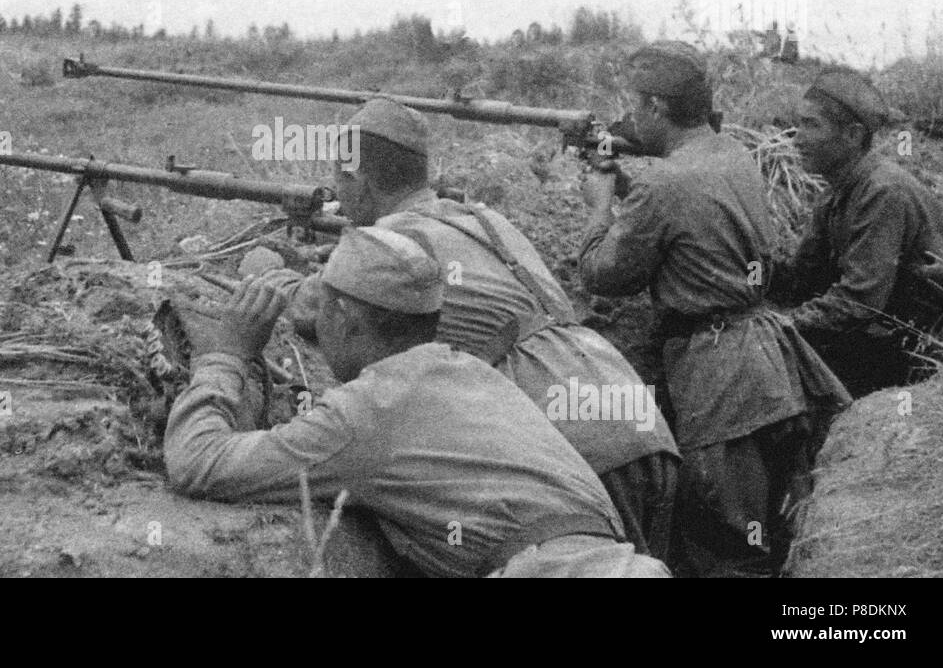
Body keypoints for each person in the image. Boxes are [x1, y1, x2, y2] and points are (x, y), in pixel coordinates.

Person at [265, 98, 679, 560]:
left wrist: (271, 273)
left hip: (571, 440)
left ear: (357, 180)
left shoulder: (396, 243)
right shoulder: (483, 218)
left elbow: (314, 309)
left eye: (340, 179)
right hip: (633, 413)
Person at [164, 226, 670, 577]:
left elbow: (198, 463)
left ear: (345, 320)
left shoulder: (370, 411)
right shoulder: (470, 372)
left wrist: (226, 357)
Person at [578, 40, 850, 578]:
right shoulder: (730, 154)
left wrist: (601, 203)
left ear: (656, 108)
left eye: (635, 106)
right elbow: (692, 218)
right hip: (774, 369)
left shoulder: (663, 184)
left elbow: (602, 277)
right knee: (782, 533)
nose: (630, 118)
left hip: (719, 381)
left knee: (725, 551)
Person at [773, 68, 943, 397]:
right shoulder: (838, 188)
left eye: (811, 125)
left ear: (854, 135)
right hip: (890, 334)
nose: (796, 137)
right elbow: (806, 274)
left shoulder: (881, 192)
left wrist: (781, 326)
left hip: (929, 347)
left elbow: (860, 302)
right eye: (798, 123)